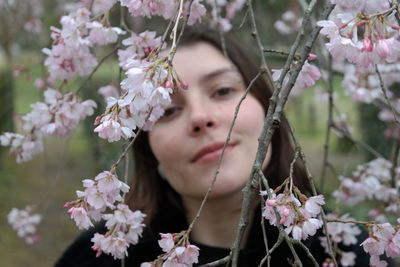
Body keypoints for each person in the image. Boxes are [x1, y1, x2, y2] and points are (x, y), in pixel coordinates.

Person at [55, 27, 370, 267]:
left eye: (221, 91)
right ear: (147, 149)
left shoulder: (341, 252)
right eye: (168, 111)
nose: (201, 118)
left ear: (268, 108)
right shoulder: (98, 257)